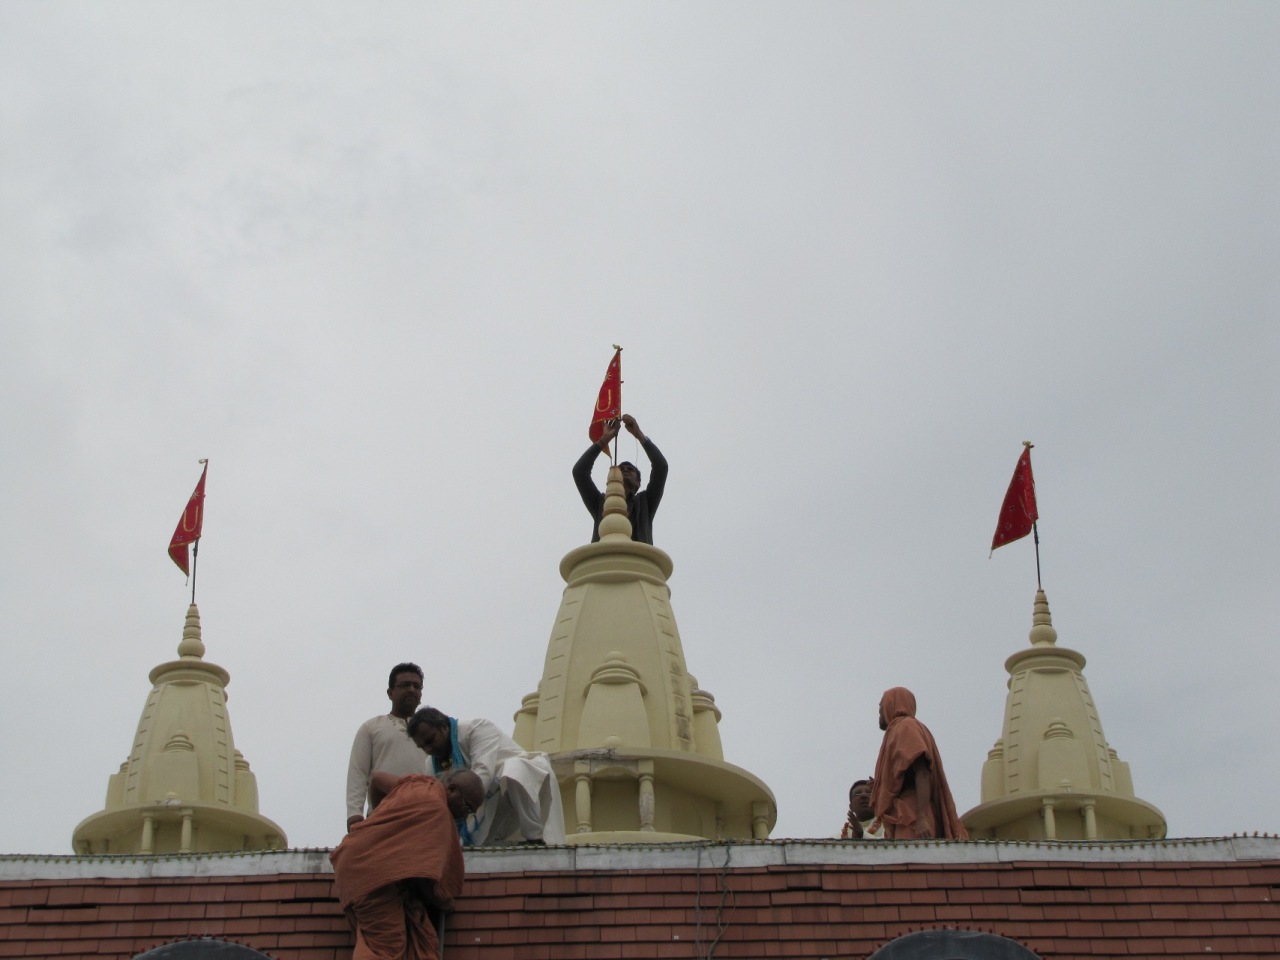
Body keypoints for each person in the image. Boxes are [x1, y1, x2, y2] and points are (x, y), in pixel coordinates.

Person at [330, 769, 483, 960]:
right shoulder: (438, 812)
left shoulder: (418, 784)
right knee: (387, 946)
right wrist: (443, 901)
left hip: (356, 861)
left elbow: (376, 779)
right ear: (451, 789)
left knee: (411, 931)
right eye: (467, 807)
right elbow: (425, 877)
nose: (464, 815)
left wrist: (379, 822)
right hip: (370, 873)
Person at [408, 707, 566, 847]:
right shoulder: (432, 763)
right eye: (422, 747)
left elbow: (482, 774)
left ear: (444, 727)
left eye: (430, 741)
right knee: (466, 847)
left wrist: (460, 804)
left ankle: (534, 838)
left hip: (521, 787)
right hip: (488, 803)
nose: (428, 749)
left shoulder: (476, 728)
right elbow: (438, 799)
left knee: (515, 769)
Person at [870, 687, 969, 840]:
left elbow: (922, 772)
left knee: (909, 860)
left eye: (881, 707)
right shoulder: (897, 730)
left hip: (912, 813)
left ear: (892, 704)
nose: (879, 713)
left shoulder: (906, 726)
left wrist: (921, 817)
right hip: (904, 812)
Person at [346, 663, 429, 832]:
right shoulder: (372, 727)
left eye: (416, 686)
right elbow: (358, 773)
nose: (412, 690)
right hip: (382, 815)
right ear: (390, 693)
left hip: (424, 816)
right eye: (405, 685)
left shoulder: (431, 730)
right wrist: (354, 815)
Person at [573, 413, 668, 544]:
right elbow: (579, 472)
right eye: (620, 469)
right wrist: (603, 440)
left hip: (636, 562)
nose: (625, 470)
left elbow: (661, 467)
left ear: (638, 483)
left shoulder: (646, 503)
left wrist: (639, 434)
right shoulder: (600, 503)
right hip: (606, 561)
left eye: (630, 469)